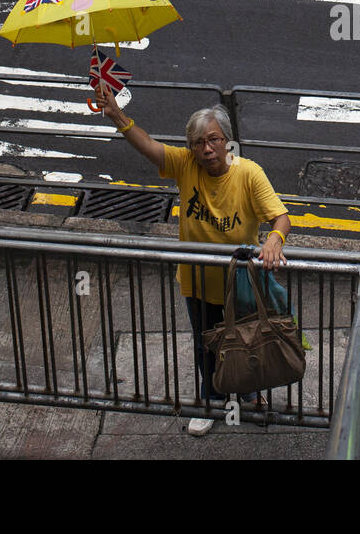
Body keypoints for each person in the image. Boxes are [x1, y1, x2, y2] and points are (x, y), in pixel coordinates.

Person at [93, 85, 291, 437]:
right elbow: (150, 148)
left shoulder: (249, 173)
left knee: (247, 341)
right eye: (199, 142)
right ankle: (211, 401)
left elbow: (281, 218)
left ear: (227, 141)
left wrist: (275, 239)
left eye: (213, 140)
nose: (207, 149)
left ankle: (248, 392)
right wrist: (118, 117)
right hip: (197, 281)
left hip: (239, 283)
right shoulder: (186, 165)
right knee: (206, 346)